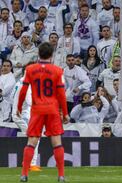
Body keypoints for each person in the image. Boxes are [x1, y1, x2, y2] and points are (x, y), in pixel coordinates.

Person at [17, 42, 69, 182]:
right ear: (52, 55)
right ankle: (61, 175)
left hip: (37, 109)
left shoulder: (30, 69)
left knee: (32, 140)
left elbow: (23, 91)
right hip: (52, 109)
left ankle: (24, 174)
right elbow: (61, 95)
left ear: (38, 53)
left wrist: (19, 107)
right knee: (56, 142)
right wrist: (65, 113)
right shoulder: (58, 70)